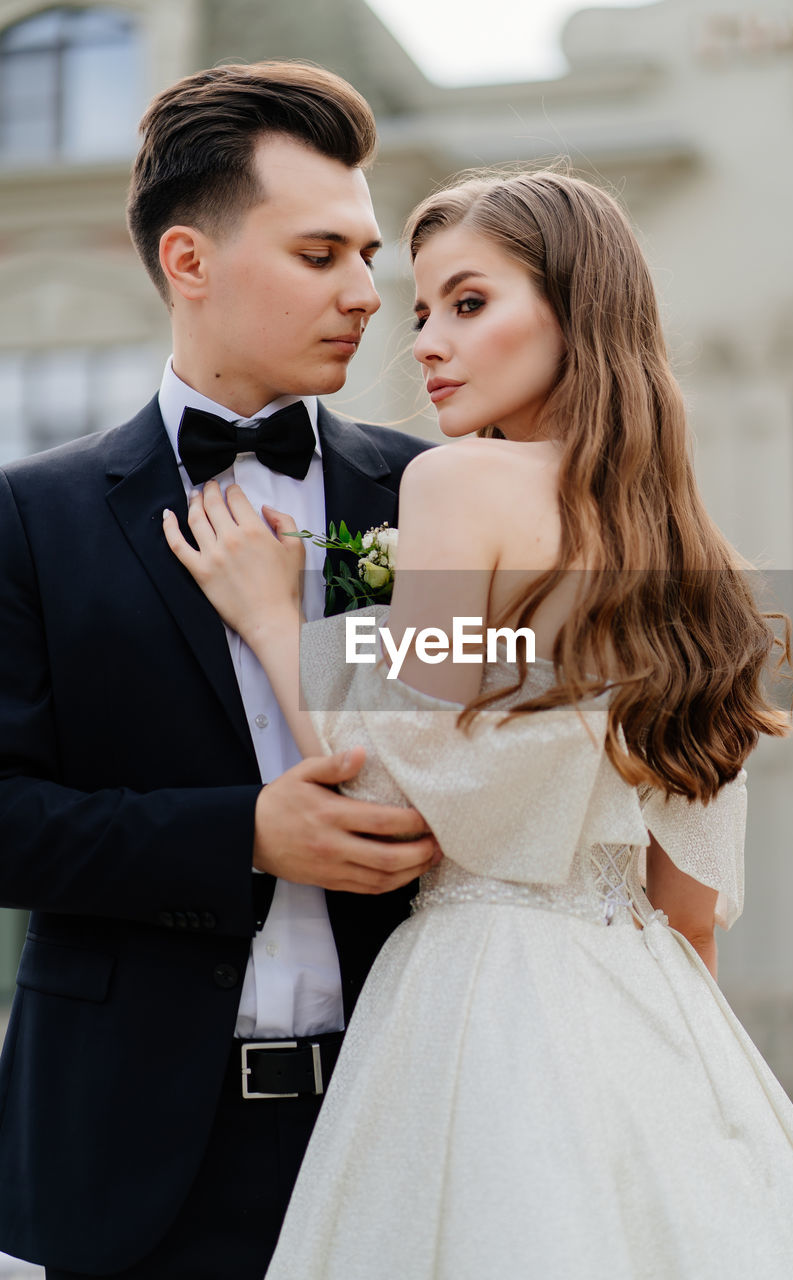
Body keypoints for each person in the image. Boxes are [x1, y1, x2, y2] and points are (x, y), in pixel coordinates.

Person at [165, 168, 793, 1278]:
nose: (428, 339)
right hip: (659, 1016)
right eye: (425, 308)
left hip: (481, 998)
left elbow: (389, 797)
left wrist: (269, 618)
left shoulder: (456, 484)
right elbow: (687, 907)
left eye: (470, 303)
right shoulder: (694, 560)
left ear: (577, 311)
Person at [0, 61, 437, 1280]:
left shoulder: (425, 499)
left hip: (398, 1122)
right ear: (188, 261)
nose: (365, 291)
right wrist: (241, 833)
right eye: (319, 256)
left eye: (367, 252)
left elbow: (459, 774)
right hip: (124, 1158)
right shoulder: (30, 518)